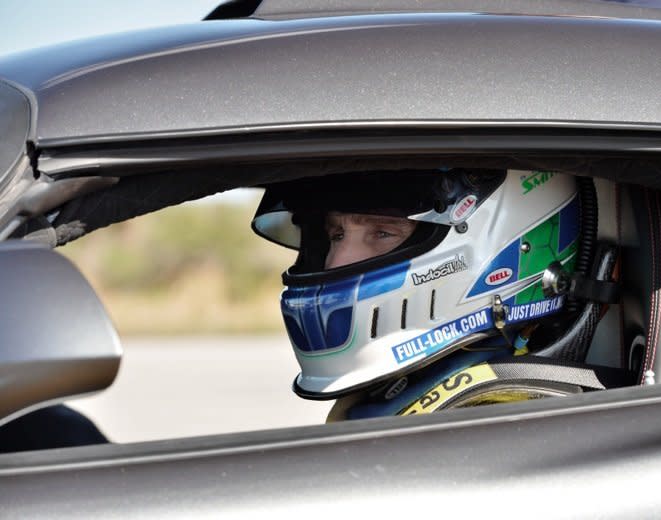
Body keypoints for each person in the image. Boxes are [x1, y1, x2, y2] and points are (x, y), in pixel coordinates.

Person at [252, 168, 627, 420]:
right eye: (336, 235)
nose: (336, 262)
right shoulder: (392, 392)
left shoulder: (500, 420)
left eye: (382, 233)